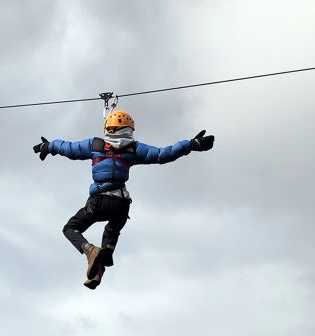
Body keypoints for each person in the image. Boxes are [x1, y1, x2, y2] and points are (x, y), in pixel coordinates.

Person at [33, 110, 215, 289]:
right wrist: (192, 144)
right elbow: (162, 154)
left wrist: (49, 146)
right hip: (121, 205)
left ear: (108, 129)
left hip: (100, 202)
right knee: (112, 231)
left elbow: (69, 148)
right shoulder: (134, 148)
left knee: (70, 228)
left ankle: (89, 250)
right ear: (129, 129)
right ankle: (97, 271)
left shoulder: (95, 145)